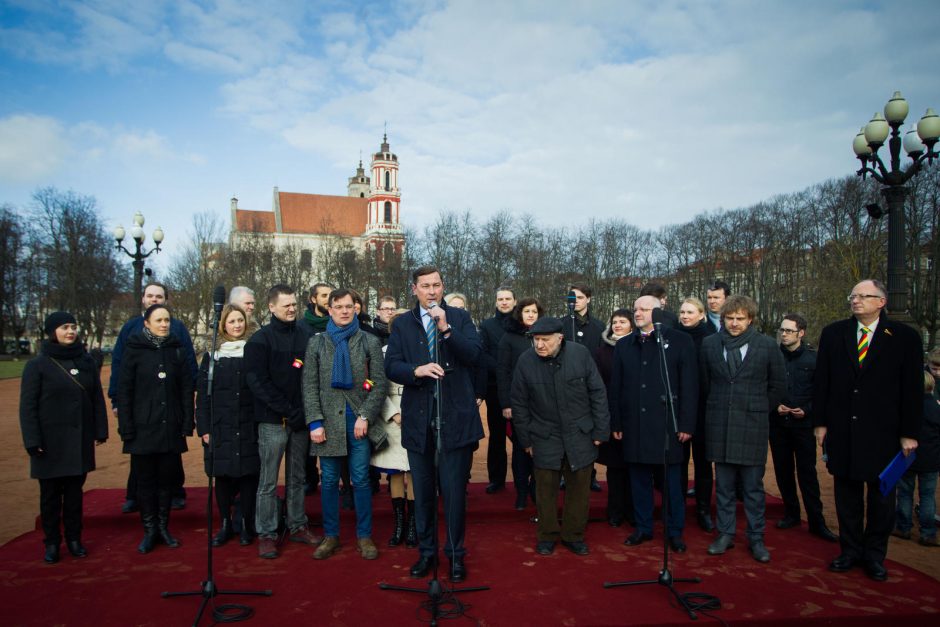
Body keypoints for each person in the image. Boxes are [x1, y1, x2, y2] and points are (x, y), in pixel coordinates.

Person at [813, 279, 923, 581]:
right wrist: (820, 423)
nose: (856, 300)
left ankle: (874, 555)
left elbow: (912, 390)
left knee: (881, 499)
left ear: (881, 302)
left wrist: (909, 432)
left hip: (884, 433)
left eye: (864, 296)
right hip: (842, 430)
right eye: (853, 296)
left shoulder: (904, 337)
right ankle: (849, 550)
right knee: (846, 494)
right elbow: (822, 382)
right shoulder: (834, 334)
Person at [384, 266, 483, 583]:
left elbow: (473, 355)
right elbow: (391, 366)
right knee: (423, 495)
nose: (431, 291)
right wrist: (417, 370)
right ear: (414, 289)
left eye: (437, 285)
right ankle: (427, 553)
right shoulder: (402, 323)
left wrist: (446, 330)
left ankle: (455, 556)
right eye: (425, 286)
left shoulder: (460, 317)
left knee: (454, 494)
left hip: (455, 418)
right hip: (418, 420)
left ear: (443, 287)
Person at [511, 317, 609, 556]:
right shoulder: (525, 361)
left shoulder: (580, 354)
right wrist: (526, 440)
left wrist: (600, 430)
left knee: (579, 490)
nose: (539, 345)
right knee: (545, 490)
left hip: (580, 434)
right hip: (544, 435)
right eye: (536, 340)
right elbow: (519, 404)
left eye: (545, 340)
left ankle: (573, 535)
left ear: (560, 338)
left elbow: (597, 392)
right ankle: (547, 535)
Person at [700, 295, 786, 563]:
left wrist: (757, 408)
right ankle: (724, 533)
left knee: (752, 487)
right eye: (729, 318)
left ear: (750, 319)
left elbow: (778, 385)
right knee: (723, 486)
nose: (734, 323)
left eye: (740, 318)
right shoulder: (710, 344)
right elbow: (705, 384)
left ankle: (756, 537)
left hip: (752, 426)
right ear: (723, 319)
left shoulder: (768, 346)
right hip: (720, 425)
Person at [304, 289, 388, 561]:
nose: (343, 311)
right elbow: (309, 385)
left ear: (356, 308)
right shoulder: (316, 343)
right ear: (329, 310)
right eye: (337, 306)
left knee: (361, 479)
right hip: (327, 422)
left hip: (357, 419)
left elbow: (378, 382)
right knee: (328, 480)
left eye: (348, 306)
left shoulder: (369, 341)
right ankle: (331, 536)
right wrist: (315, 422)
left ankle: (364, 536)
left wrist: (365, 415)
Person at [19, 312, 108, 563]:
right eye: (64, 327)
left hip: (78, 440)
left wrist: (100, 429)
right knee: (49, 496)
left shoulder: (86, 361)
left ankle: (74, 538)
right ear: (52, 332)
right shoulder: (38, 365)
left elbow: (96, 399)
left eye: (72, 327)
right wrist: (32, 440)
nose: (70, 331)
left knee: (73, 495)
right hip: (48, 442)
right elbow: (28, 407)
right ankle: (52, 542)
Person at [611, 296, 697, 553]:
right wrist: (617, 420)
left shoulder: (681, 341)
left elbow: (690, 386)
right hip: (634, 425)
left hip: (668, 427)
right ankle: (643, 527)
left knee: (671, 485)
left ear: (658, 313)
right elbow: (616, 387)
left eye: (644, 309)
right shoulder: (624, 345)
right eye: (635, 308)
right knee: (639, 482)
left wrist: (686, 424)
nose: (638, 313)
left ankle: (674, 532)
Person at [246, 284, 321, 560]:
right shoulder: (260, 340)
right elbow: (258, 382)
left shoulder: (308, 335)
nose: (292, 309)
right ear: (271, 307)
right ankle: (266, 533)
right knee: (267, 480)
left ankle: (298, 525)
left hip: (301, 420)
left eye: (294, 304)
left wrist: (303, 411)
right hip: (271, 421)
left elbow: (313, 376)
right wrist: (287, 410)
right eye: (286, 305)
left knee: (297, 477)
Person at [108, 282, 196, 514]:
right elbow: (119, 364)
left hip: (170, 400)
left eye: (159, 296)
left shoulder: (177, 328)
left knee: (171, 453)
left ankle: (176, 492)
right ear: (143, 299)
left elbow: (188, 362)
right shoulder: (130, 328)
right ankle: (134, 494)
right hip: (141, 403)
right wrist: (116, 398)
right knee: (141, 455)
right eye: (150, 295)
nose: (154, 299)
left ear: (166, 299)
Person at [117, 304, 194, 554]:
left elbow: (184, 389)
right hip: (142, 428)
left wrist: (186, 422)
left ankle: (163, 527)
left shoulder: (176, 350)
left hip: (169, 427)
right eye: (159, 320)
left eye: (167, 320)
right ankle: (149, 530)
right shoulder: (134, 349)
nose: (164, 324)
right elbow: (125, 391)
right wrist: (126, 427)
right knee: (146, 482)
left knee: (166, 482)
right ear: (146, 324)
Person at [196, 304, 259, 547]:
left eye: (240, 321)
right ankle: (224, 523)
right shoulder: (212, 355)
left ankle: (244, 523)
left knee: (248, 476)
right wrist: (204, 428)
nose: (237, 325)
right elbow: (203, 395)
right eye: (232, 321)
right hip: (220, 425)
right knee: (222, 476)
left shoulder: (253, 350)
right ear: (223, 325)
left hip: (247, 423)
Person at [769, 314, 837, 542]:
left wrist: (807, 410)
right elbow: (764, 386)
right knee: (783, 471)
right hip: (778, 424)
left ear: (801, 333)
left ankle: (816, 521)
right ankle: (791, 514)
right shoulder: (773, 356)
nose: (784, 334)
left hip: (803, 425)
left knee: (807, 473)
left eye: (789, 330)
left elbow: (822, 393)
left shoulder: (814, 360)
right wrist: (774, 405)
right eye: (782, 330)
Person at [372, 309, 417, 548]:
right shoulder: (381, 353)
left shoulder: (419, 352)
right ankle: (399, 524)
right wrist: (393, 413)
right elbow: (376, 388)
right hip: (392, 417)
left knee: (414, 471)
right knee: (396, 472)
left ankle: (413, 525)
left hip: (416, 415)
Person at [497, 297, 544, 510]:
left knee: (541, 449)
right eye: (527, 311)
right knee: (520, 450)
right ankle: (521, 493)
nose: (531, 315)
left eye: (534, 312)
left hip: (543, 403)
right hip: (518, 403)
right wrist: (506, 403)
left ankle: (536, 489)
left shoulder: (546, 336)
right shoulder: (509, 338)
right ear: (520, 314)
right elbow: (503, 372)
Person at [676, 296, 716, 532]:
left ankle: (703, 509)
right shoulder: (673, 337)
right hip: (678, 409)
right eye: (682, 312)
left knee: (703, 463)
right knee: (678, 463)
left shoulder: (711, 340)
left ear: (701, 315)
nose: (685, 316)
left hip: (703, 410)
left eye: (690, 312)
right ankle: (678, 507)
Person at [592, 308, 635, 527]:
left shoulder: (639, 348)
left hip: (635, 416)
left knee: (635, 466)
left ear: (632, 325)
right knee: (615, 467)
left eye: (622, 322)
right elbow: (598, 385)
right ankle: (615, 510)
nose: (617, 325)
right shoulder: (601, 352)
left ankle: (633, 509)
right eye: (614, 322)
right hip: (610, 414)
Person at [562, 283, 605, 492]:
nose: (575, 301)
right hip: (563, 387)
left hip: (589, 387)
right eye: (572, 298)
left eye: (579, 297)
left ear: (588, 299)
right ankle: (565, 473)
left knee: (587, 431)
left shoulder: (599, 327)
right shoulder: (561, 324)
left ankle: (591, 474)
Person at [893, 372, 940, 546]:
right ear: (932, 386)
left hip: (907, 457)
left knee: (904, 493)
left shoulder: (905, 408)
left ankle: (903, 527)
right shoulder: (936, 408)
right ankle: (928, 533)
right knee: (927, 496)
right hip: (931, 460)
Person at [478, 287, 517, 495]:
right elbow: (483, 355)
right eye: (500, 299)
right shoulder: (487, 325)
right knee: (497, 435)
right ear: (495, 303)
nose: (504, 302)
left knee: (523, 435)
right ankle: (496, 479)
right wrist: (502, 370)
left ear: (514, 301)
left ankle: (526, 478)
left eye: (507, 299)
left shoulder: (522, 324)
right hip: (495, 387)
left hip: (521, 387)